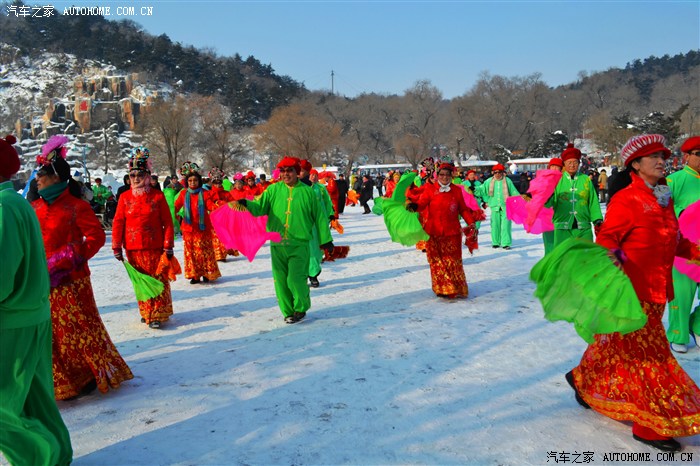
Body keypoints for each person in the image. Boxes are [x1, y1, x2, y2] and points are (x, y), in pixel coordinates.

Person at [565, 134, 700, 452]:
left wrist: (695, 251)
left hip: (657, 291)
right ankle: (651, 425)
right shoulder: (627, 200)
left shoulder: (662, 197)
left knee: (616, 345)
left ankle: (581, 377)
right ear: (635, 164)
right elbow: (609, 240)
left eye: (663, 156)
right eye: (652, 156)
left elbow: (673, 240)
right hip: (631, 292)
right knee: (652, 357)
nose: (660, 161)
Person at [32, 135, 133, 400]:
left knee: (78, 331)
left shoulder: (76, 206)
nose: (37, 180)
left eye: (42, 175)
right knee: (52, 332)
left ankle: (87, 375)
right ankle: (63, 381)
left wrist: (73, 257)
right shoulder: (35, 207)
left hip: (72, 280)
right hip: (44, 281)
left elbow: (97, 237)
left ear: (56, 177)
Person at [0, 134, 73, 466]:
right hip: (31, 314)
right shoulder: (18, 203)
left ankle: (40, 455)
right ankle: (56, 455)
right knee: (34, 398)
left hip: (12, 321)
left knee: (4, 405)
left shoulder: (3, 208)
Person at [238, 157, 333, 324]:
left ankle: (301, 307)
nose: (285, 174)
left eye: (289, 171)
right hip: (277, 244)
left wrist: (325, 239)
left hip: (300, 244)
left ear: (297, 172)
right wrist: (247, 203)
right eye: (282, 171)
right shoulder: (272, 190)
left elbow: (319, 217)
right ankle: (288, 311)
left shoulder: (308, 192)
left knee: (295, 279)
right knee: (280, 280)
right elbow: (259, 207)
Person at [111, 147, 175, 329]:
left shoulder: (157, 196)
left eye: (140, 174)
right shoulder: (124, 197)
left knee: (157, 278)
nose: (136, 178)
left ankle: (157, 313)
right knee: (141, 281)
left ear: (147, 175)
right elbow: (118, 223)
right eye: (132, 175)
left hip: (155, 247)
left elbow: (168, 223)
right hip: (132, 248)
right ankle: (146, 312)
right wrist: (116, 246)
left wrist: (168, 245)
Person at [411, 162, 483, 299]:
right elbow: (421, 205)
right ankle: (442, 288)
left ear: (451, 176)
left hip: (452, 232)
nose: (444, 177)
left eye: (447, 175)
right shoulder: (430, 190)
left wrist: (471, 223)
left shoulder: (456, 190)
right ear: (437, 175)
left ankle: (456, 287)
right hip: (433, 232)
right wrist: (413, 206)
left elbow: (462, 209)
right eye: (442, 175)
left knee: (453, 261)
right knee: (437, 262)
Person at [666, 136, 700, 353]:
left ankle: (696, 325)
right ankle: (677, 332)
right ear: (686, 157)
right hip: (685, 248)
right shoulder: (674, 180)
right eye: (698, 154)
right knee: (682, 292)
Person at [547, 143, 603, 250]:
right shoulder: (557, 179)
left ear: (579, 163)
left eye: (575, 162)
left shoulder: (586, 180)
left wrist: (597, 220)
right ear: (564, 164)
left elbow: (593, 202)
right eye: (569, 162)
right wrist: (545, 195)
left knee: (585, 260)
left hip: (584, 229)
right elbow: (550, 202)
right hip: (562, 229)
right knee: (563, 261)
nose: (572, 165)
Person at [174, 162, 222, 285]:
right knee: (192, 254)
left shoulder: (205, 193)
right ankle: (195, 275)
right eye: (190, 180)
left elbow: (211, 206)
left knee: (205, 252)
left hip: (203, 228)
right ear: (187, 182)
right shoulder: (184, 194)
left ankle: (207, 273)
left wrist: (220, 206)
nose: (192, 183)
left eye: (195, 180)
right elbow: (175, 206)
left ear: (199, 181)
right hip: (189, 229)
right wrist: (174, 214)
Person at [475, 163, 519, 249]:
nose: (498, 174)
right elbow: (482, 189)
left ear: (503, 173)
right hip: (494, 206)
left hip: (506, 207)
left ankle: (506, 243)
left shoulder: (507, 181)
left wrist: (519, 200)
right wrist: (474, 189)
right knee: (495, 225)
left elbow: (514, 192)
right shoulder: (489, 181)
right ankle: (496, 242)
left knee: (506, 226)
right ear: (493, 173)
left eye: (499, 172)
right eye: (496, 172)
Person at [308, 169, 335, 287]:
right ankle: (311, 274)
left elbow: (327, 202)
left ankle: (313, 271)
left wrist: (330, 213)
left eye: (315, 175)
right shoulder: (303, 189)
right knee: (310, 248)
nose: (313, 177)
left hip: (320, 221)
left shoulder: (321, 188)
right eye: (311, 175)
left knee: (318, 246)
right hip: (306, 222)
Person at [205, 167, 235, 262]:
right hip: (213, 218)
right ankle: (219, 255)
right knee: (215, 237)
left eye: (219, 182)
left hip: (225, 218)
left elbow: (232, 203)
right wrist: (217, 205)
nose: (217, 184)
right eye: (215, 182)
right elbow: (208, 204)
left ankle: (223, 254)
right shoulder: (209, 193)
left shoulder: (226, 193)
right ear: (212, 183)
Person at [541, 157, 563, 255]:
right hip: (546, 214)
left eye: (557, 167)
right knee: (549, 241)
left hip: (561, 215)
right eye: (552, 166)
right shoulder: (543, 179)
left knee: (560, 242)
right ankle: (548, 262)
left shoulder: (564, 180)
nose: (554, 169)